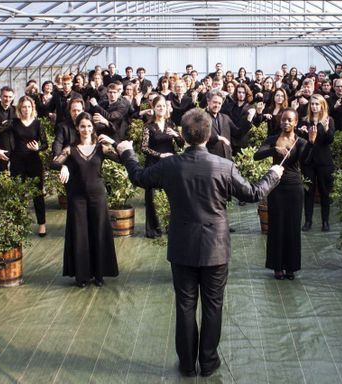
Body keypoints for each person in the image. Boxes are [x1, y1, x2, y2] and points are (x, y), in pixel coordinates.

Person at [115, 109, 283, 377]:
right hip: (215, 247)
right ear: (209, 135)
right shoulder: (223, 166)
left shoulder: (171, 165)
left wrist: (127, 152)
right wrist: (273, 174)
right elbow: (253, 193)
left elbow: (139, 177)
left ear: (182, 135)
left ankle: (186, 364)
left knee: (185, 305)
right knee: (213, 305)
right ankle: (207, 361)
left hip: (182, 246)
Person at [53, 112, 120, 287]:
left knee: (98, 232)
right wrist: (64, 165)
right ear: (77, 128)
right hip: (77, 197)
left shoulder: (101, 148)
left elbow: (121, 157)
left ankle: (99, 274)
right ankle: (81, 275)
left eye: (89, 126)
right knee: (80, 235)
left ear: (93, 128)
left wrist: (113, 142)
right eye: (82, 126)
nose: (86, 129)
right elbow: (53, 162)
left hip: (98, 195)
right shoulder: (70, 149)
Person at [254, 108, 309, 280]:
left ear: (295, 122)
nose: (286, 122)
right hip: (276, 186)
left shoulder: (300, 141)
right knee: (276, 226)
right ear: (280, 121)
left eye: (290, 120)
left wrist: (312, 143)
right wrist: (274, 150)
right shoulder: (272, 139)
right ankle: (277, 267)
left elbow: (305, 159)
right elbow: (257, 156)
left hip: (294, 187)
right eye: (284, 119)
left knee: (292, 227)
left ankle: (291, 267)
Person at [0, 95, 48, 236]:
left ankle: (42, 224)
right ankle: (18, 224)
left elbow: (45, 144)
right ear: (19, 109)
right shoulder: (13, 122)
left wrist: (38, 149)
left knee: (37, 194)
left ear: (32, 108)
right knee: (17, 194)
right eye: (24, 107)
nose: (26, 109)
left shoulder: (38, 123)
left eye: (29, 106)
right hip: (17, 161)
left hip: (34, 161)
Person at [141, 96, 184, 238]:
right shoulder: (148, 126)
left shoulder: (170, 123)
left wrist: (177, 135)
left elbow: (181, 144)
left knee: (172, 195)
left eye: (163, 106)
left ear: (167, 108)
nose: (161, 109)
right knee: (152, 197)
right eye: (158, 106)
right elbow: (144, 147)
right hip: (153, 164)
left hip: (170, 164)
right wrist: (160, 155)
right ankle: (153, 229)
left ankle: (172, 225)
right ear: (153, 108)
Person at [300, 95, 335, 232]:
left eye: (317, 104)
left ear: (322, 105)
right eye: (312, 104)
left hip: (324, 162)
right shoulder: (305, 121)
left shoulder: (328, 120)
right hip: (308, 162)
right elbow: (301, 142)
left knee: (324, 192)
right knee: (308, 192)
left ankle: (325, 221)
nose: (314, 106)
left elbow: (329, 140)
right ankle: (308, 221)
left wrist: (326, 130)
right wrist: (304, 134)